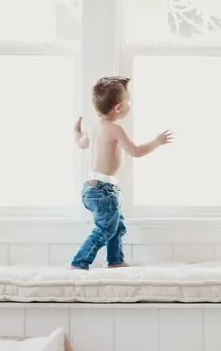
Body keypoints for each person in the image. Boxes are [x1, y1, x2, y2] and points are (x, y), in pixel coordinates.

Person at [70, 76, 172, 270]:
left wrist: (76, 131)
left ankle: (115, 260)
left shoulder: (94, 128)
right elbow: (136, 151)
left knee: (117, 226)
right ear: (118, 108)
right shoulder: (116, 129)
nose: (130, 103)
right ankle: (79, 262)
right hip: (103, 190)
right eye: (129, 100)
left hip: (93, 188)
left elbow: (80, 143)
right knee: (106, 228)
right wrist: (157, 142)